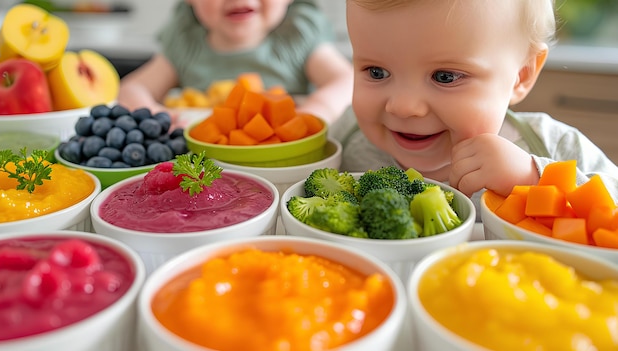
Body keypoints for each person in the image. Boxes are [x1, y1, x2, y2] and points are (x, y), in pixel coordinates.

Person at [335, 0, 618, 218]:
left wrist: (534, 179)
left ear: (521, 76)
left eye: (444, 76)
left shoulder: (554, 146)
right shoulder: (345, 136)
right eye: (376, 72)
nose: (403, 106)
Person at [117, 0, 353, 126]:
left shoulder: (297, 36)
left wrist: (316, 110)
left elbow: (346, 79)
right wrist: (153, 114)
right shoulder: (186, 43)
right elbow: (133, 87)